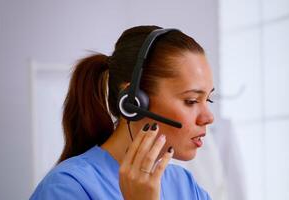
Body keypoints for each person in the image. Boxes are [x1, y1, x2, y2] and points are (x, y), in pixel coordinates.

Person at [30, 25, 215, 200]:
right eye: (191, 101)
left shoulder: (186, 186)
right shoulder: (67, 187)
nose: (208, 117)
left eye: (208, 99)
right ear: (133, 101)